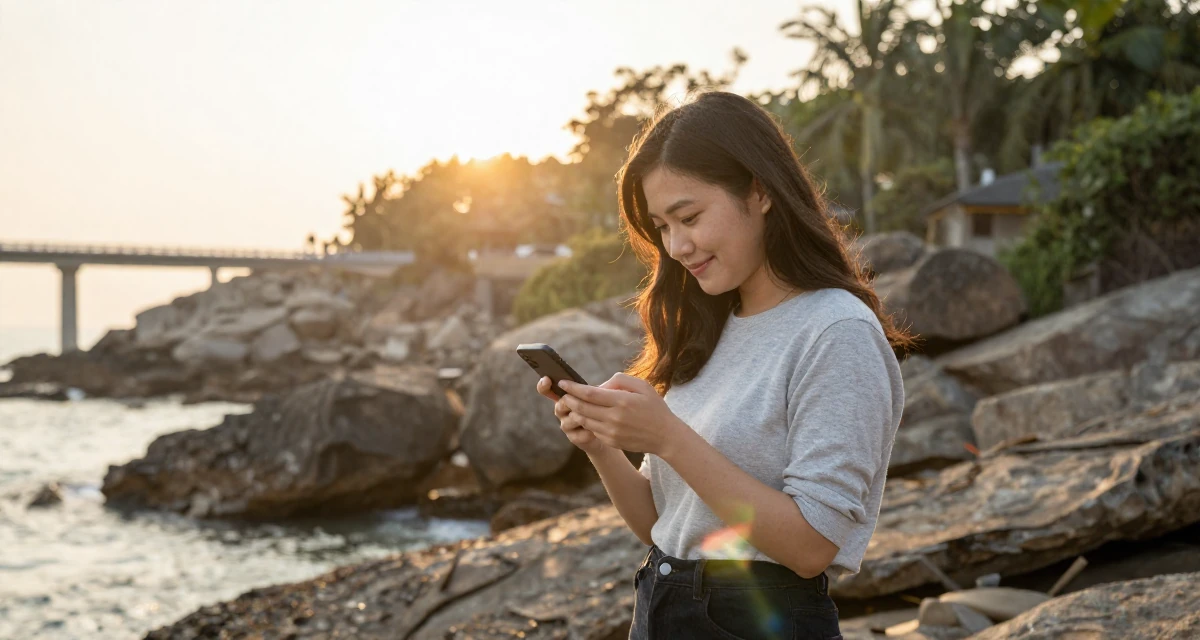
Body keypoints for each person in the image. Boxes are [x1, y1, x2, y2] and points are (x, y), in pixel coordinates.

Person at [535, 91, 912, 640]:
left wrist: (667, 437)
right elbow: (664, 524)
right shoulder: (708, 327)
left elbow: (812, 547)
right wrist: (601, 447)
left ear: (759, 191)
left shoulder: (836, 332)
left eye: (688, 217)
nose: (677, 246)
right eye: (662, 227)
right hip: (663, 607)